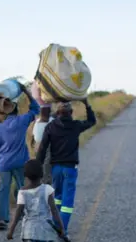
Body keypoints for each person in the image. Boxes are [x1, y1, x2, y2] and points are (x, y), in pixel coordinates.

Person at [36, 99, 96, 233]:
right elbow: (92, 121)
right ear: (71, 112)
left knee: (57, 197)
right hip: (70, 168)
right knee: (67, 202)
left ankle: (56, 224)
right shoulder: (76, 126)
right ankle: (62, 230)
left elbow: (42, 149)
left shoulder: (50, 127)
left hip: (56, 168)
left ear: (57, 113)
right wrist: (87, 105)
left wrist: (37, 166)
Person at [0, 82, 40, 231]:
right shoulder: (22, 121)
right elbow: (36, 109)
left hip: (4, 163)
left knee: (3, 191)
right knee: (24, 188)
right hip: (20, 162)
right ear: (17, 111)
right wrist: (26, 91)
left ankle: (3, 219)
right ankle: (29, 215)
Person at [30, 105, 54, 185]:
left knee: (43, 167)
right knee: (46, 168)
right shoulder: (52, 121)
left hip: (40, 146)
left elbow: (33, 136)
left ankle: (43, 183)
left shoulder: (37, 122)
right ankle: (46, 184)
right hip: (47, 147)